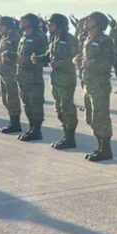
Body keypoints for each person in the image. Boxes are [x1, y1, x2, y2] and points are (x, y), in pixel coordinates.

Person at [79, 12, 114, 161]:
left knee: (101, 117)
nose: (86, 21)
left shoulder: (104, 40)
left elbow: (108, 62)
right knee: (91, 118)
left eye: (90, 19)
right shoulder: (87, 39)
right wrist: (80, 60)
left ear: (98, 24)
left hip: (100, 85)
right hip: (88, 84)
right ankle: (99, 146)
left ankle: (105, 150)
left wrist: (91, 64)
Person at [43, 14, 79, 149]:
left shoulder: (71, 40)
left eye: (51, 24)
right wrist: (38, 58)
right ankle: (66, 135)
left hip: (66, 79)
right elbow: (49, 55)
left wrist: (62, 64)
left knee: (67, 107)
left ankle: (70, 138)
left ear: (59, 25)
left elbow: (77, 59)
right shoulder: (54, 38)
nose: (48, 26)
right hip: (56, 79)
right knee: (59, 108)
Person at [15, 13, 48, 141]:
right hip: (22, 75)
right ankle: (31, 128)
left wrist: (26, 61)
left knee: (35, 104)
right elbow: (21, 54)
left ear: (31, 23)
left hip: (33, 77)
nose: (21, 23)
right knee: (27, 104)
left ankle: (37, 130)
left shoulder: (39, 37)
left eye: (24, 21)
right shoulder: (23, 37)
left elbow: (42, 58)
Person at [0, 16, 22, 133]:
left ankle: (15, 124)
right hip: (3, 72)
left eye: (1, 26)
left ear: (8, 27)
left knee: (12, 99)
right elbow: (2, 52)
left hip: (12, 72)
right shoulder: (4, 38)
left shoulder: (16, 38)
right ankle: (12, 121)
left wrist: (10, 54)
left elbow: (21, 53)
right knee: (5, 99)